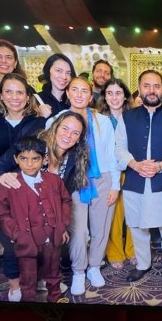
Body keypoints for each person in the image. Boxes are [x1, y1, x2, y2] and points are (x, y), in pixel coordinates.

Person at [48, 77, 119, 296]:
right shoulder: (56, 120)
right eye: (75, 90)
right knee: (78, 230)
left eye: (84, 91)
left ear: (91, 96)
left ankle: (94, 266)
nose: (79, 95)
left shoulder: (103, 121)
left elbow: (111, 154)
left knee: (101, 227)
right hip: (73, 180)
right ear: (68, 93)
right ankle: (79, 271)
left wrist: (115, 185)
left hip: (102, 177)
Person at [115, 70, 162, 286]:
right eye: (146, 86)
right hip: (135, 180)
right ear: (139, 88)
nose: (151, 90)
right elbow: (119, 148)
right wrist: (135, 164)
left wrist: (160, 166)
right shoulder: (126, 117)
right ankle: (142, 264)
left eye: (156, 86)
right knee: (137, 227)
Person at [0, 73, 46, 301]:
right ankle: (14, 285)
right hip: (0, 186)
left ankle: (36, 277)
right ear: (0, 96)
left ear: (28, 97)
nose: (14, 97)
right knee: (12, 239)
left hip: (29, 186)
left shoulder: (37, 123)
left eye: (20, 92)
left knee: (36, 235)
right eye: (8, 92)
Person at [0, 136, 71, 303]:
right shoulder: (9, 184)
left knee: (53, 273)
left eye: (35, 159)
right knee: (28, 279)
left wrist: (62, 225)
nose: (29, 164)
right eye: (23, 159)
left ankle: (55, 298)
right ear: (16, 159)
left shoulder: (54, 180)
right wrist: (16, 233)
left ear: (44, 159)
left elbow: (66, 201)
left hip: (52, 237)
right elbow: (0, 213)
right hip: (26, 240)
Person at [97, 78, 136, 269]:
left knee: (133, 213)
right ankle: (114, 252)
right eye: (109, 93)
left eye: (118, 93)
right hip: (109, 172)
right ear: (104, 97)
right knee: (113, 214)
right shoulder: (98, 119)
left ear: (125, 96)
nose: (114, 97)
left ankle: (132, 250)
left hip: (131, 169)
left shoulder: (133, 117)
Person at [37, 53, 76, 119]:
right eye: (58, 70)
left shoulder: (74, 101)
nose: (64, 77)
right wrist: (36, 114)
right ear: (48, 71)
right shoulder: (36, 101)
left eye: (68, 73)